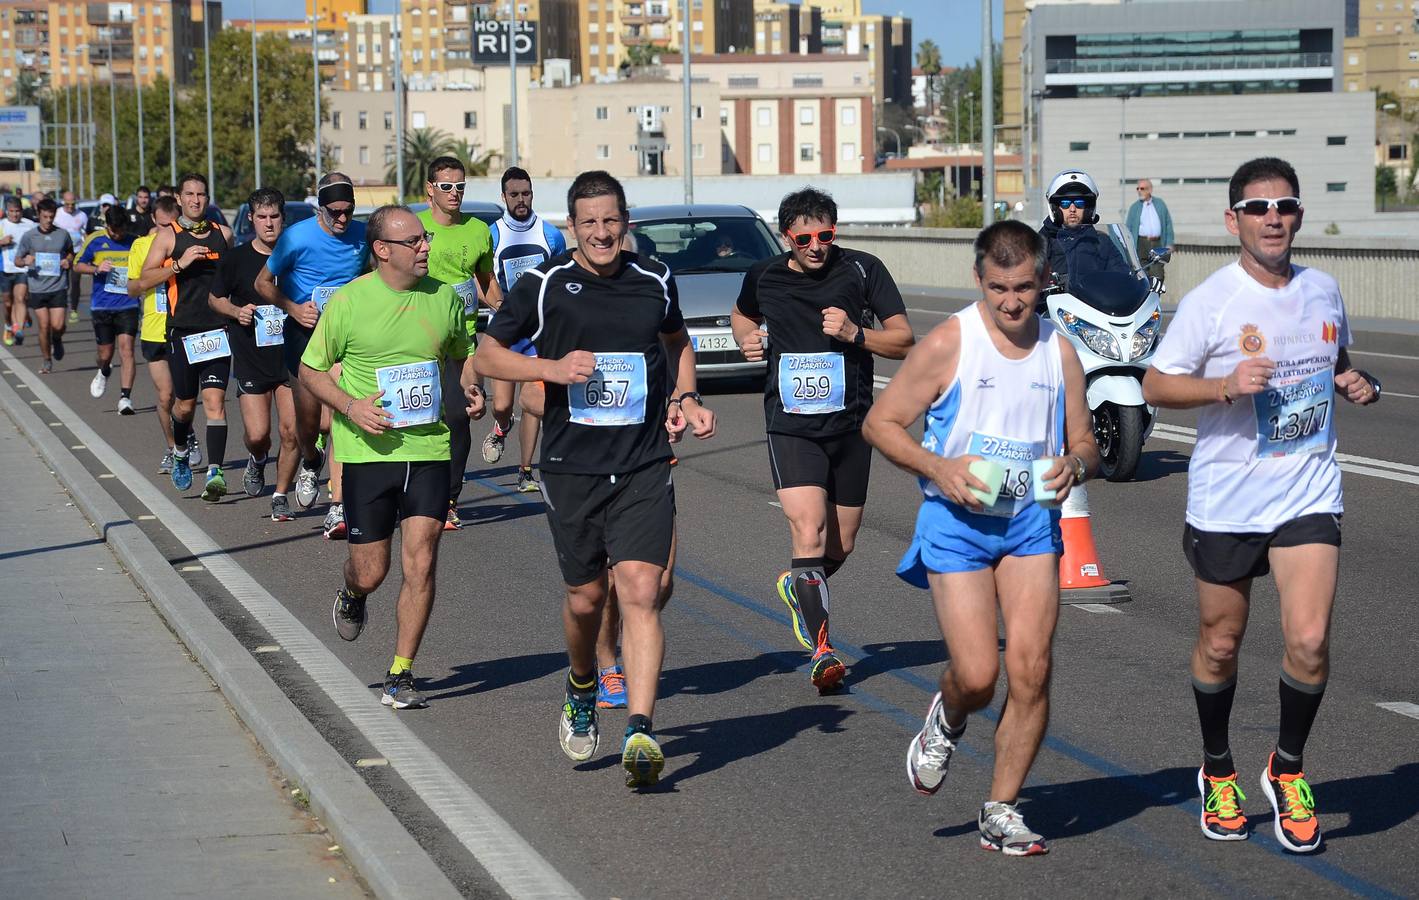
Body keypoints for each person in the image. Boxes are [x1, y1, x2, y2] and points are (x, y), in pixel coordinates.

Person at [1141, 157, 1381, 854]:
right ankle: (1218, 768)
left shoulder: (1323, 290)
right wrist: (1221, 387)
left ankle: (1287, 766)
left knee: (1307, 640)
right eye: (1256, 207)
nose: (1271, 217)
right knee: (1220, 644)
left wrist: (1351, 381)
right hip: (1227, 498)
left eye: (1283, 205)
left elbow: (1336, 360)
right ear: (1232, 221)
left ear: (1297, 217)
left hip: (1307, 489)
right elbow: (1154, 385)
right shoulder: (1211, 301)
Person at [863, 220, 1098, 857]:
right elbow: (880, 424)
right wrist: (940, 468)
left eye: (1024, 287)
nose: (1012, 302)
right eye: (998, 288)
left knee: (1032, 669)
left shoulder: (1060, 349)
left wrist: (1074, 463)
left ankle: (1002, 808)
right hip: (958, 525)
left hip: (1029, 525)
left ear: (1044, 280)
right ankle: (948, 715)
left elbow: (1085, 441)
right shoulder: (950, 343)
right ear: (978, 280)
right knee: (977, 673)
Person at [475, 170, 715, 787]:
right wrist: (552, 368)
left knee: (639, 590)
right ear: (572, 228)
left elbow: (677, 342)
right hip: (571, 465)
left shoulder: (654, 280)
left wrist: (685, 395)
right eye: (590, 223)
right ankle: (581, 683)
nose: (602, 233)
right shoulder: (545, 284)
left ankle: (640, 726)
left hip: (641, 461)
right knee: (586, 598)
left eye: (611, 221)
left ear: (625, 221)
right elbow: (488, 354)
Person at [730, 187, 914, 692]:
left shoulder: (861, 270)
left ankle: (799, 584)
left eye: (825, 235)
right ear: (786, 236)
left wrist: (856, 333)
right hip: (791, 424)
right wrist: (747, 336)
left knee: (842, 542)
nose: (816, 246)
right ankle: (823, 650)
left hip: (852, 424)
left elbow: (902, 339)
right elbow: (743, 313)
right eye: (804, 237)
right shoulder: (764, 274)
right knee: (807, 531)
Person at [302, 204, 484, 709]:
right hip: (367, 453)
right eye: (414, 241)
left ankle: (401, 672)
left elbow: (458, 353)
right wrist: (349, 406)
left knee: (421, 563)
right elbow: (311, 370)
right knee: (372, 570)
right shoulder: (350, 301)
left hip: (428, 448)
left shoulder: (444, 298)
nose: (427, 246)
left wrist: (469, 387)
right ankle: (353, 594)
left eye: (425, 238)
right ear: (383, 250)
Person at [257, 172, 369, 537]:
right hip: (303, 337)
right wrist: (291, 307)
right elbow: (262, 283)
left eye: (348, 211)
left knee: (339, 415)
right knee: (307, 425)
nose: (342, 218)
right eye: (334, 211)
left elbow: (373, 275)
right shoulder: (296, 237)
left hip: (346, 341)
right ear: (319, 208)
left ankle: (337, 506)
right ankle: (310, 459)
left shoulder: (361, 235)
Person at [139, 173, 233, 498]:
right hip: (182, 333)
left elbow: (234, 278)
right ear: (179, 199)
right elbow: (142, 279)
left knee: (216, 401)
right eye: (189, 194)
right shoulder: (168, 236)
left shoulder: (224, 234)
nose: (195, 200)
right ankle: (180, 450)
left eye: (201, 195)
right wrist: (178, 265)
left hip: (217, 332)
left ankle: (215, 473)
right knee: (184, 406)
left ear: (208, 199)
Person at [210, 188, 301, 521]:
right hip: (251, 357)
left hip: (290, 355)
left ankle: (279, 494)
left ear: (283, 218)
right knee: (258, 434)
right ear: (251, 219)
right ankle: (258, 459)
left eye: (274, 216)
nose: (268, 224)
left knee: (291, 431)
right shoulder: (235, 259)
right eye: (261, 217)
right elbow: (215, 299)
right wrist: (236, 312)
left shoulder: (297, 255)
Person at [415, 155, 496, 529]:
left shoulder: (478, 230)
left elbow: (484, 281)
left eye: (460, 186)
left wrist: (507, 310)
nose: (454, 193)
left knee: (458, 416)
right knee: (420, 418)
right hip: (418, 340)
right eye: (446, 186)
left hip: (462, 339)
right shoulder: (416, 227)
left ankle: (449, 498)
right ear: (430, 189)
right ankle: (414, 491)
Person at [482, 166, 567, 494]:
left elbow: (560, 278)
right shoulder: (492, 235)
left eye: (526, 193)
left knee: (535, 400)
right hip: (504, 331)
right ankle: (501, 427)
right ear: (503, 197)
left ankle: (537, 465)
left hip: (539, 333)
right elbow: (481, 276)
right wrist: (495, 301)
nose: (521, 199)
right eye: (514, 194)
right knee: (503, 404)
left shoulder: (550, 235)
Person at [126, 195, 192, 474]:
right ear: (153, 220)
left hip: (185, 326)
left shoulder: (186, 242)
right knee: (166, 396)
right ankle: (173, 448)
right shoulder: (141, 246)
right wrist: (166, 272)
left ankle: (187, 436)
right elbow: (132, 288)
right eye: (162, 224)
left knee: (185, 398)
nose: (166, 229)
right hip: (154, 330)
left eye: (171, 224)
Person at [74, 205, 138, 413]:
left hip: (128, 304)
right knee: (105, 354)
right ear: (108, 226)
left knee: (127, 350)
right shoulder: (95, 240)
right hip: (102, 305)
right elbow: (77, 265)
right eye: (115, 231)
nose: (119, 234)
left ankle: (125, 399)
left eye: (122, 230)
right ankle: (103, 370)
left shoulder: (134, 241)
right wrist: (96, 269)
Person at [1037, 170, 1132, 288]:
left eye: (1079, 203)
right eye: (1065, 203)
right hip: (1054, 305)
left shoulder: (1101, 242)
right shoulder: (1042, 241)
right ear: (1056, 208)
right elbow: (1027, 276)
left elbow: (1122, 274)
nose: (1072, 209)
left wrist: (1139, 284)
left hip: (1095, 304)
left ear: (1088, 208)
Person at [14, 198, 75, 374]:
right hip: (37, 287)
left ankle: (57, 339)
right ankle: (47, 359)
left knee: (58, 326)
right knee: (44, 326)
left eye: (51, 216)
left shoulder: (62, 234)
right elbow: (17, 259)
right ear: (38, 215)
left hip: (58, 286)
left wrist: (67, 261)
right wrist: (25, 261)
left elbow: (71, 252)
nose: (48, 220)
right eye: (45, 216)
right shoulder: (29, 236)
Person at [0, 195, 37, 346]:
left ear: (22, 211)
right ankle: (8, 324)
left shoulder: (29, 225)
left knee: (20, 298)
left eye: (17, 211)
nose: (15, 214)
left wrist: (33, 256)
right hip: (5, 269)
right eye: (12, 211)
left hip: (23, 269)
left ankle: (19, 330)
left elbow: (38, 242)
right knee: (8, 303)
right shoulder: (1, 225)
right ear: (6, 211)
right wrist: (2, 242)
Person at [1126, 178, 1174, 283]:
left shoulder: (1160, 204)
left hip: (1157, 242)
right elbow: (1128, 228)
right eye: (1137, 188)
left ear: (1150, 190)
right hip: (1142, 242)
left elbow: (1168, 224)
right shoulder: (1135, 207)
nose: (1139, 191)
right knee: (1143, 271)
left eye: (1142, 188)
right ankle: (1147, 295)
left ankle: (1156, 294)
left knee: (1157, 271)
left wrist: (1169, 243)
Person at [55, 192, 88, 324]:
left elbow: (85, 234)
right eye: (67, 204)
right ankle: (60, 306)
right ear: (63, 202)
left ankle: (73, 309)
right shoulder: (57, 214)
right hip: (61, 253)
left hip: (76, 253)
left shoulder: (82, 215)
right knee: (62, 282)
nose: (70, 207)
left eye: (73, 204)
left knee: (75, 281)